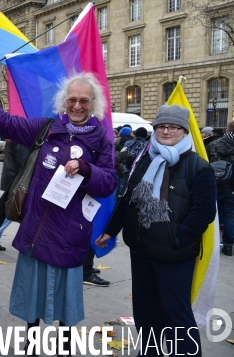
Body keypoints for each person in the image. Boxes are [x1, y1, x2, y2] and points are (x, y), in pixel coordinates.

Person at [0, 72, 117, 354]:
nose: (77, 105)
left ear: (93, 103)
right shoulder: (46, 129)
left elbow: (109, 183)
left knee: (65, 306)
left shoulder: (101, 140)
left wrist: (86, 169)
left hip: (70, 234)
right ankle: (32, 347)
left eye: (84, 100)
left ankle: (64, 347)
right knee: (32, 303)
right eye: (72, 99)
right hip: (37, 229)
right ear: (64, 101)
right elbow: (5, 122)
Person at [97, 104, 216, 356]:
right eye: (161, 126)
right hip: (141, 249)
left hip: (174, 254)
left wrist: (178, 239)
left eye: (173, 127)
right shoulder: (147, 158)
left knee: (176, 315)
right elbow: (129, 196)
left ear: (184, 131)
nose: (166, 131)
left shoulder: (198, 166)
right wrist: (112, 229)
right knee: (145, 311)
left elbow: (204, 212)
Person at [207, 119, 234, 256]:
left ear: (227, 129)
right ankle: (228, 245)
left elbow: (205, 162)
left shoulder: (214, 144)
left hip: (214, 183)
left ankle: (210, 242)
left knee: (211, 213)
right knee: (230, 215)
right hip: (232, 186)